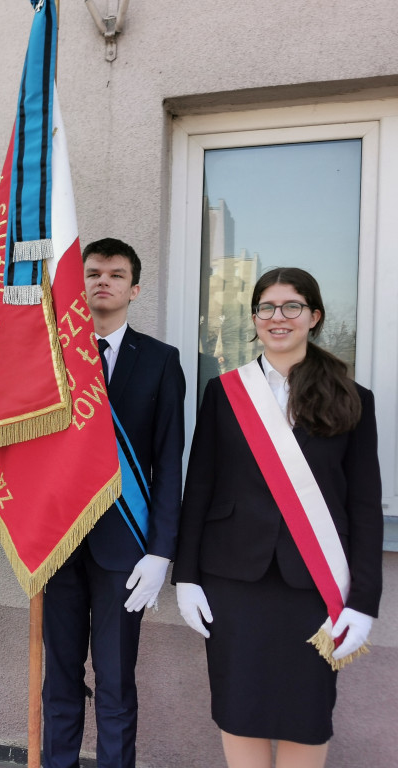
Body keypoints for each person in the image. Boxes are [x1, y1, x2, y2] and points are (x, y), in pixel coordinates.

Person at [174, 267, 382, 768]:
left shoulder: (354, 398)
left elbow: (364, 505)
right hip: (233, 580)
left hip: (314, 584)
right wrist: (186, 578)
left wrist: (364, 600)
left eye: (292, 307)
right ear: (254, 318)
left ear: (314, 316)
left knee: (306, 713)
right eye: (266, 307)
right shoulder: (224, 393)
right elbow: (198, 487)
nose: (278, 317)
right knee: (238, 709)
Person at [42, 238, 186, 768]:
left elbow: (169, 462)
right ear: (78, 285)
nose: (104, 281)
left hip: (125, 548)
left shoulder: (162, 361)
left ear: (135, 288)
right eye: (94, 272)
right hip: (55, 544)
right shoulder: (49, 355)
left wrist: (161, 551)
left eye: (116, 274)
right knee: (58, 678)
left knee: (116, 680)